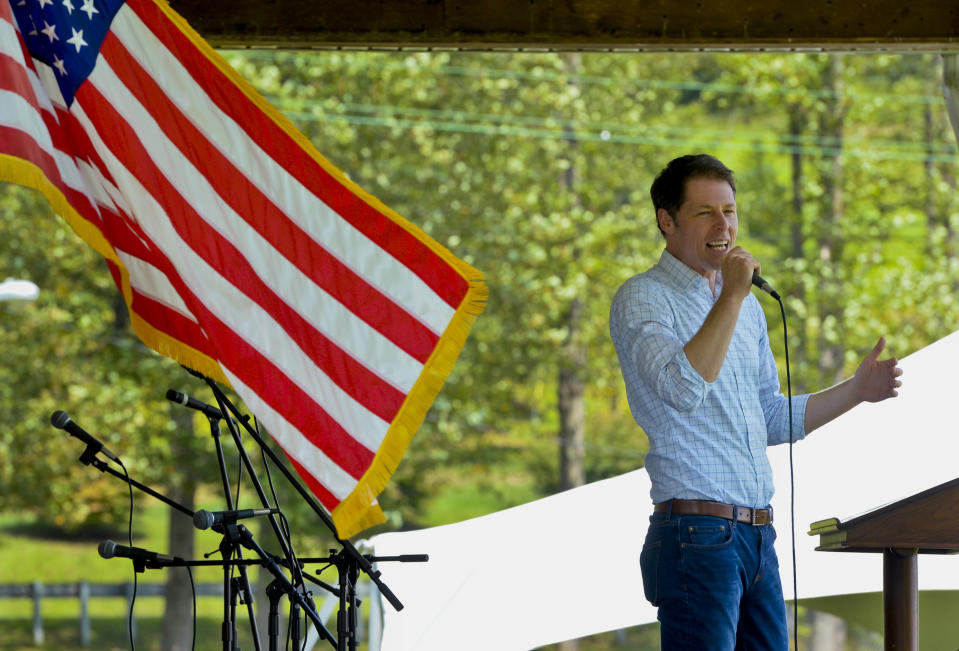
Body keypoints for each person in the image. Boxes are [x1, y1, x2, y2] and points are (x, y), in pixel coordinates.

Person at [608, 154, 902, 650]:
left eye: (730, 210)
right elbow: (681, 387)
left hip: (757, 536)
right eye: (705, 212)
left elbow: (769, 416)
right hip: (695, 534)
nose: (723, 225)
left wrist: (856, 391)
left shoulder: (741, 308)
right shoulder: (644, 297)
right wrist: (731, 298)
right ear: (667, 220)